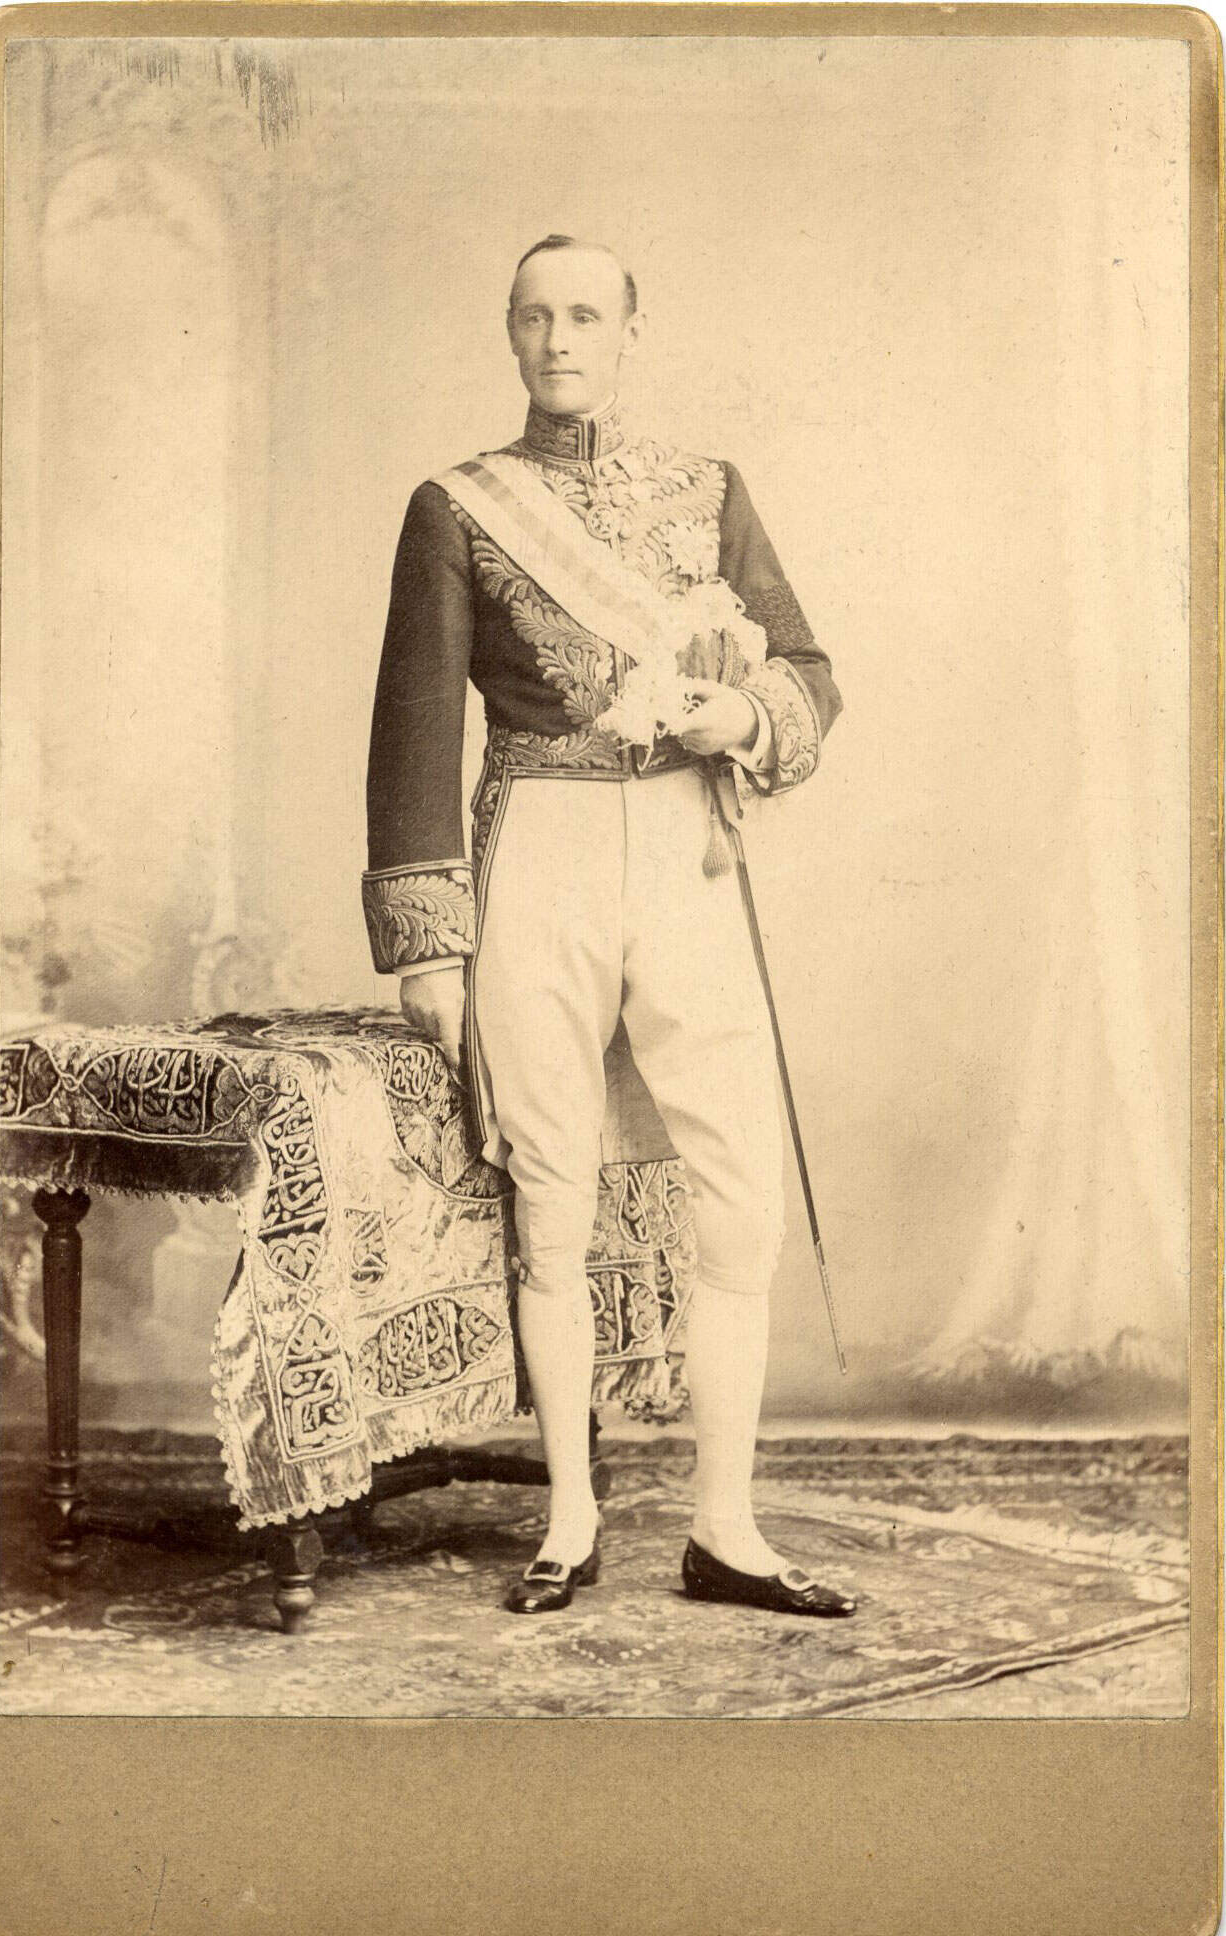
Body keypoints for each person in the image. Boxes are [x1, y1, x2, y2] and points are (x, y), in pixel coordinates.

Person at [363, 234, 855, 1619]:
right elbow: (411, 726)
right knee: (552, 1192)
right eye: (533, 317)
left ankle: (726, 1528)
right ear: (508, 337)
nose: (558, 340)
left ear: (632, 330)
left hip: (686, 845)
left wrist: (742, 715)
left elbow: (805, 665)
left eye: (584, 315)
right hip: (542, 851)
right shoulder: (457, 505)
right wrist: (427, 941)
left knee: (735, 1192)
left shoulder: (709, 492)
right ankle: (569, 1520)